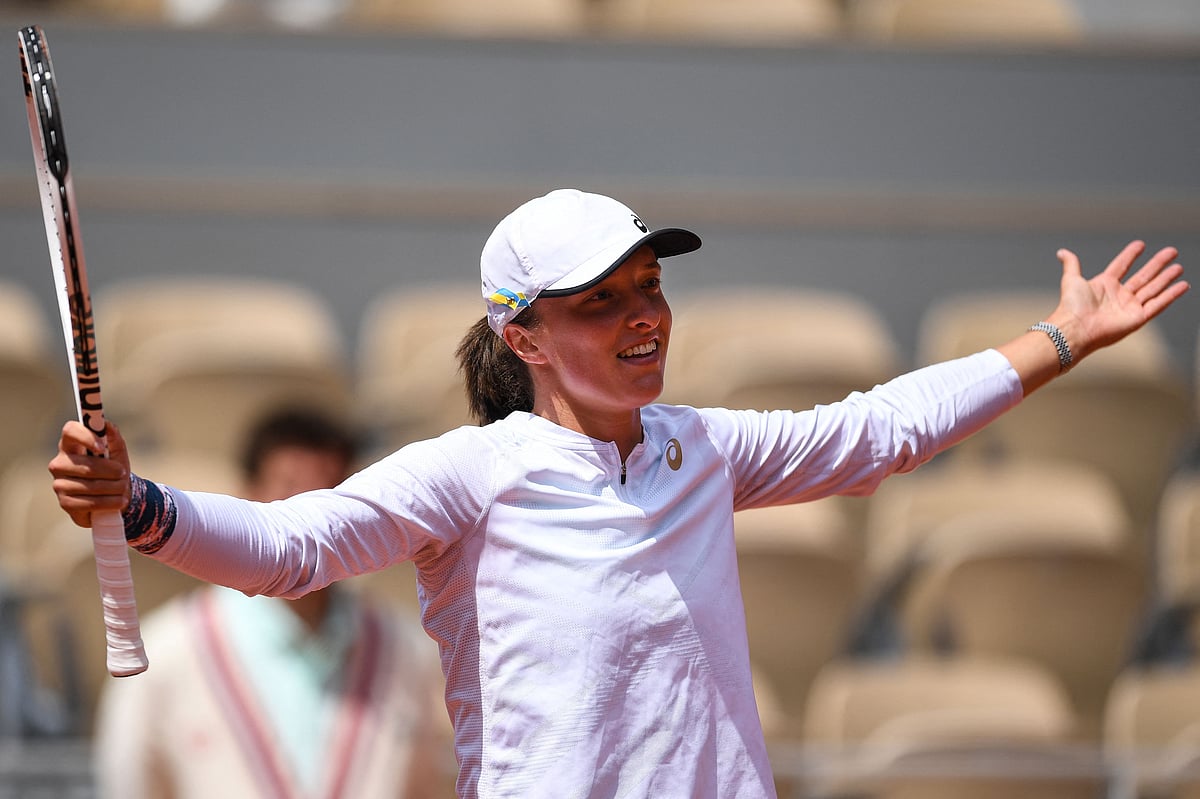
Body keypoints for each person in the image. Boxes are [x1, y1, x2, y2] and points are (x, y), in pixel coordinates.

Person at [52, 188, 1188, 798]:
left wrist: (1057, 341)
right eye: (602, 301)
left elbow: (881, 429)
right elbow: (284, 547)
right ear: (524, 332)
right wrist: (136, 501)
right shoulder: (475, 471)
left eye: (650, 287)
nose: (645, 317)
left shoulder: (704, 446)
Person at [91, 406, 452, 799]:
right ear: (247, 498)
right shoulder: (166, 654)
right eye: (289, 496)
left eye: (331, 498)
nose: (311, 521)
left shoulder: (408, 653)